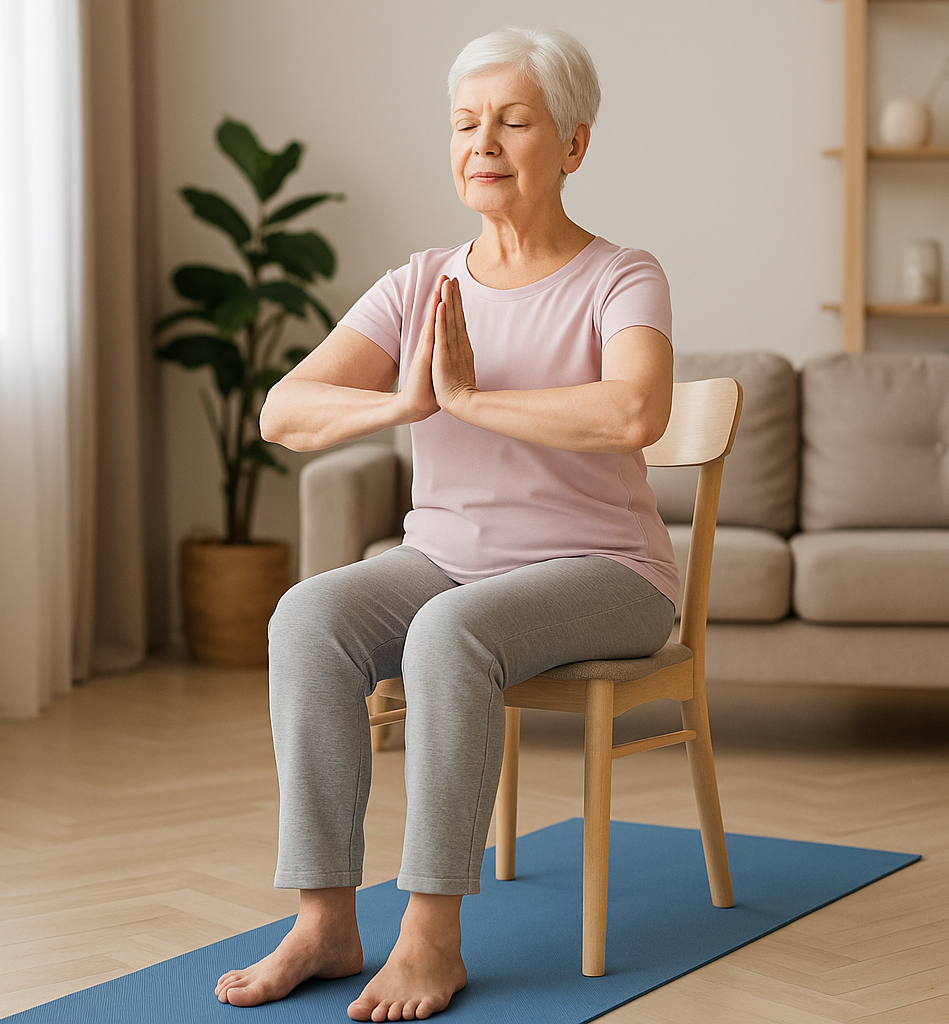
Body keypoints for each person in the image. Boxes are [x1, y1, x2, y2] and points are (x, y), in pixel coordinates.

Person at [215, 26, 679, 1023]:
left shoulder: (620, 276)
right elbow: (282, 413)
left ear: (572, 145)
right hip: (448, 560)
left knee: (448, 631)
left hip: (605, 572)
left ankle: (430, 936)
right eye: (466, 123)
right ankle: (325, 919)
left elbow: (634, 413)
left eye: (513, 121)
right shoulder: (421, 283)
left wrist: (467, 398)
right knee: (308, 616)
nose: (484, 143)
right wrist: (404, 402)